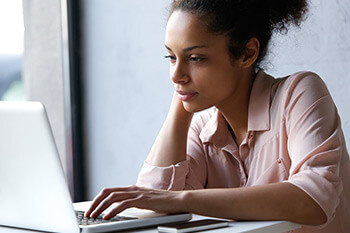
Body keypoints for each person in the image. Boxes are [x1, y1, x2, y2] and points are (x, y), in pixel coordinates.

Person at [85, 0, 350, 232]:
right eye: (171, 57)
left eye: (196, 58)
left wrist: (184, 200)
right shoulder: (202, 126)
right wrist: (181, 103)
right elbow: (154, 206)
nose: (175, 75)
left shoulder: (299, 93)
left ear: (247, 53)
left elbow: (314, 201)